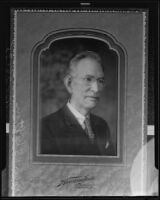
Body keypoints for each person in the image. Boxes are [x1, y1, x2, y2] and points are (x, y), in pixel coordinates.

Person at [40, 51, 115, 156]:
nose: (96, 89)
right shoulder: (46, 127)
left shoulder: (102, 125)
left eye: (100, 80)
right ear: (69, 83)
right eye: (88, 79)